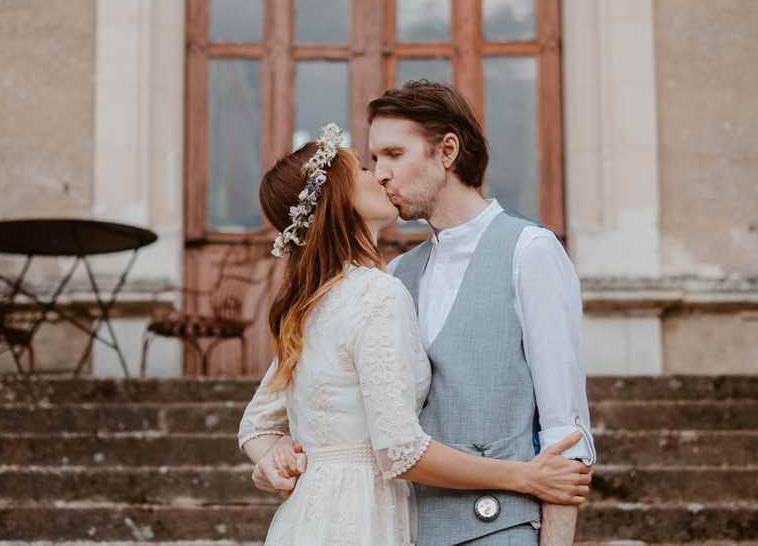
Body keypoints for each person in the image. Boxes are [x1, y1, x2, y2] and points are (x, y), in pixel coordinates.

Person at [238, 123, 591, 546]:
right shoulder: (381, 290)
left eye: (390, 157)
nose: (381, 175)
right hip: (365, 518)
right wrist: (526, 476)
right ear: (341, 197)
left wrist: (273, 458)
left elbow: (255, 426)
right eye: (366, 168)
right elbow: (400, 451)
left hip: (309, 519)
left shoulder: (309, 303)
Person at [368, 80, 595, 546]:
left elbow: (565, 435)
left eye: (393, 154)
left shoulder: (530, 250)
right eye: (374, 160)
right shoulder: (397, 273)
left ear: (447, 150)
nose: (379, 174)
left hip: (499, 528)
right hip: (407, 530)